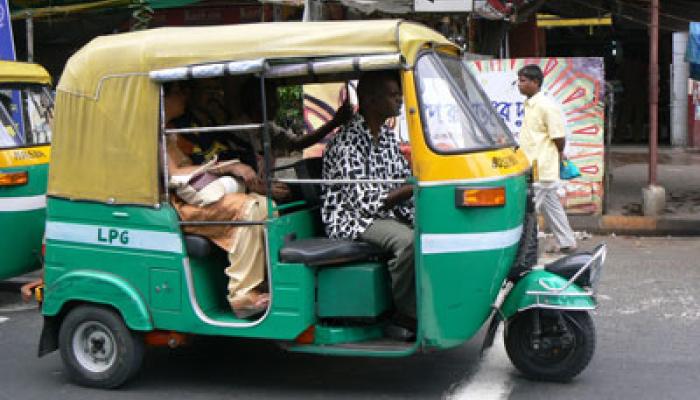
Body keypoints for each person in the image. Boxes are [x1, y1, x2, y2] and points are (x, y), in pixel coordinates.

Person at [164, 82, 270, 319]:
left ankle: (262, 282)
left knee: (266, 205)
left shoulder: (168, 131)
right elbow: (174, 175)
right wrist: (228, 168)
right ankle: (242, 295)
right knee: (249, 209)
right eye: (179, 91)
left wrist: (227, 168)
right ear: (164, 98)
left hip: (193, 196)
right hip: (178, 206)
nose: (186, 96)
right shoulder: (155, 134)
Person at [321, 71, 416, 333]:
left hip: (381, 213)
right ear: (372, 101)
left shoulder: (385, 135)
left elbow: (399, 178)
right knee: (408, 243)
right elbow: (365, 202)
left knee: (433, 228)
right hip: (352, 219)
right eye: (393, 95)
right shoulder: (346, 143)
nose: (399, 100)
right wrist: (410, 189)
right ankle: (405, 314)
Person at [517, 64, 577, 254]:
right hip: (535, 166)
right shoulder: (531, 104)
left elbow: (558, 136)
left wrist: (558, 155)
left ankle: (520, 248)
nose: (519, 85)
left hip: (540, 167)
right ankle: (567, 241)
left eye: (523, 81)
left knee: (526, 209)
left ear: (535, 83)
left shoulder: (546, 106)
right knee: (551, 207)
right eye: (519, 80)